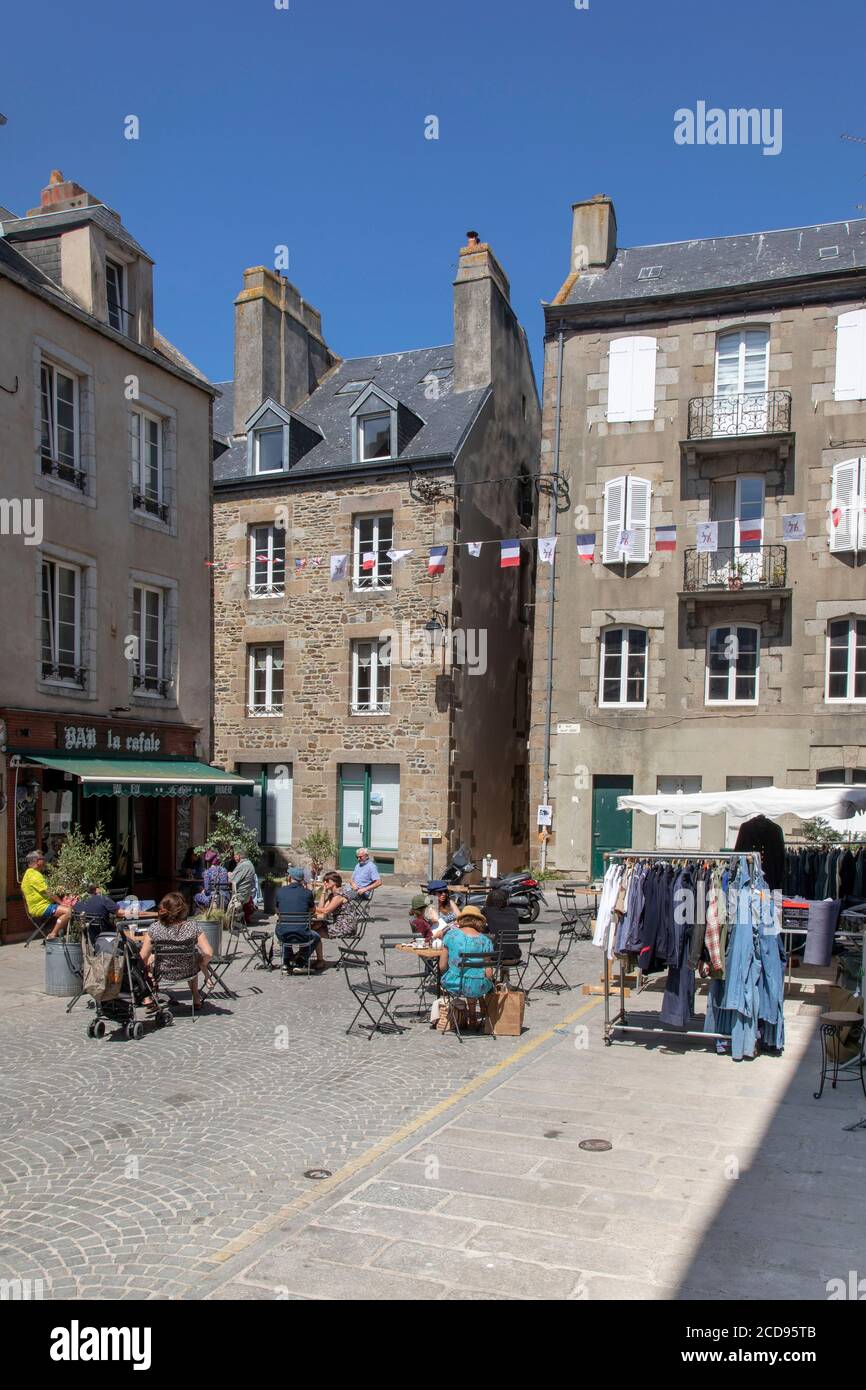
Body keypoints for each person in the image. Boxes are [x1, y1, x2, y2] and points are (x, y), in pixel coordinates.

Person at [138, 892, 213, 1011]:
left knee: (149, 960)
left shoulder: (154, 928)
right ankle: (196, 998)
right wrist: (202, 963)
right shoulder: (193, 927)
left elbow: (142, 957)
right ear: (182, 910)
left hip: (163, 972)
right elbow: (208, 953)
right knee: (192, 958)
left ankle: (150, 996)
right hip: (188, 971)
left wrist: (148, 970)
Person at [435, 905, 495, 1023]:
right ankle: (473, 1015)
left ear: (462, 920)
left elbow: (442, 966)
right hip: (479, 984)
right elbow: (489, 972)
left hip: (455, 983)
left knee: (465, 978)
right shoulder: (486, 941)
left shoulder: (450, 936)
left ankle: (467, 1014)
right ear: (479, 922)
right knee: (474, 979)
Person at [275, 867, 326, 972]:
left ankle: (287, 960)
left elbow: (277, 911)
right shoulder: (307, 893)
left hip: (283, 933)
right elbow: (312, 911)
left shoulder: (280, 891)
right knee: (316, 936)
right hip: (302, 933)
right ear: (301, 880)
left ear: (290, 878)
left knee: (286, 930)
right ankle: (301, 960)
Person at [20, 849, 72, 940]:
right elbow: (49, 892)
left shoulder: (29, 874)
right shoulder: (34, 875)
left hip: (40, 906)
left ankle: (60, 934)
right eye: (42, 859)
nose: (44, 861)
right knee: (69, 911)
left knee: (67, 910)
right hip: (41, 907)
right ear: (37, 861)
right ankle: (52, 935)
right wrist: (61, 903)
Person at [314, 871, 364, 940]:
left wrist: (311, 908)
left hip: (345, 926)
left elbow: (326, 911)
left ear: (334, 882)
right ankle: (306, 948)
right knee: (316, 925)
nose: (325, 883)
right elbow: (321, 909)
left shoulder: (339, 895)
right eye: (324, 881)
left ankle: (305, 948)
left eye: (327, 881)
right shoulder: (332, 895)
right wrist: (323, 891)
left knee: (314, 933)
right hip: (338, 923)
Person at [482, 887, 521, 967]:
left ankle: (490, 977)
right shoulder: (514, 911)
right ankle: (505, 977)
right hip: (515, 958)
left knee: (486, 940)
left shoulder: (486, 911)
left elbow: (481, 930)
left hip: (495, 959)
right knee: (504, 940)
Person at [229, 847, 258, 923]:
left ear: (238, 856)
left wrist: (228, 874)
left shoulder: (243, 866)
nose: (234, 857)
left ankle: (224, 922)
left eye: (235, 855)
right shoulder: (249, 864)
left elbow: (232, 880)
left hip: (239, 894)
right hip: (246, 894)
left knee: (221, 895)